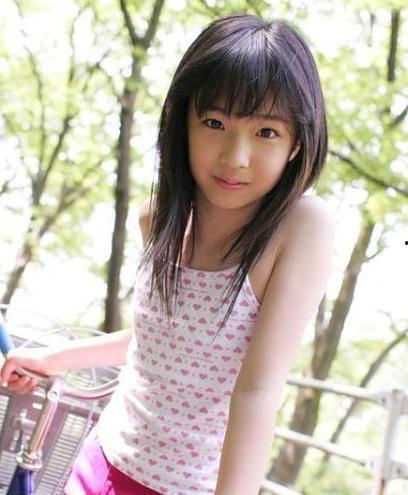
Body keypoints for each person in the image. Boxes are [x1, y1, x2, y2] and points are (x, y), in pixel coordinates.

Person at [0, 13, 335, 495]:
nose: (235, 157)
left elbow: (257, 392)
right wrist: (52, 359)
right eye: (215, 122)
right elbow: (158, 339)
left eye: (266, 132)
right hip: (99, 466)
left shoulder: (301, 227)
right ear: (183, 124)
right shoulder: (158, 218)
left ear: (298, 142)